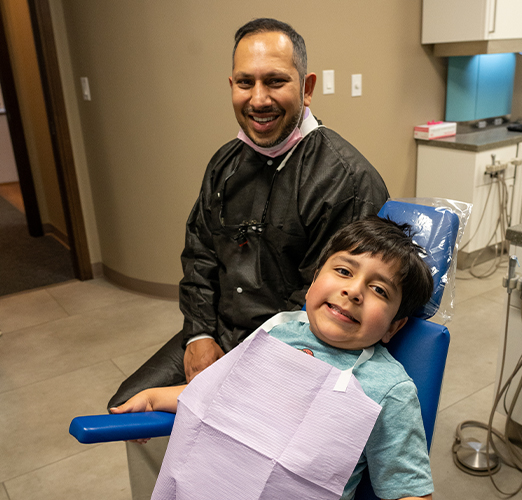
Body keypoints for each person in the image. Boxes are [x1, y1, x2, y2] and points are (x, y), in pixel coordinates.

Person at [108, 18, 389, 410]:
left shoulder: (347, 182)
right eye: (245, 83)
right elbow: (200, 255)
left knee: (193, 423)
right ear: (232, 87)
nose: (258, 99)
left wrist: (231, 372)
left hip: (294, 353)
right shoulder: (225, 164)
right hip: (218, 329)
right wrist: (199, 336)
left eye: (275, 81)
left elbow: (326, 313)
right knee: (123, 408)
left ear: (307, 89)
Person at [112, 216, 434, 500]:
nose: (353, 291)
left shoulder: (389, 389)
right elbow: (218, 394)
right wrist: (154, 398)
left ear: (394, 326)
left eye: (379, 290)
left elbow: (407, 488)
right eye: (343, 271)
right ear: (311, 286)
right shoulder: (277, 334)